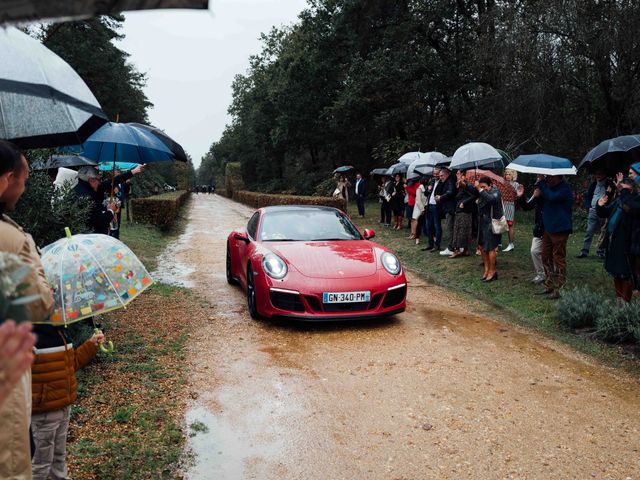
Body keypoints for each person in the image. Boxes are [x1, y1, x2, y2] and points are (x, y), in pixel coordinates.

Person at [0, 140, 55, 480]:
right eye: (24, 179)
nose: (23, 187)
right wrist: (31, 255)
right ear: (6, 180)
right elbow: (39, 303)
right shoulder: (10, 241)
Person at [30, 325, 106, 480]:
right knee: (40, 463)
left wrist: (91, 345)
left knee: (59, 455)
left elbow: (71, 365)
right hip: (43, 412)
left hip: (64, 406)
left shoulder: (61, 334)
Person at [596, 178, 638, 302]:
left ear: (631, 188)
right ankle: (619, 301)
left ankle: (626, 303)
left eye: (623, 186)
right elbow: (605, 212)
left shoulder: (634, 200)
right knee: (615, 272)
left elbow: (630, 209)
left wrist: (622, 191)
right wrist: (600, 205)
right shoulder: (619, 199)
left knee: (625, 273)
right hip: (613, 240)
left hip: (625, 242)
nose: (619, 187)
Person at [73, 164, 145, 234]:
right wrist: (110, 211)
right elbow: (100, 221)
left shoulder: (81, 188)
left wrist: (134, 171)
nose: (99, 183)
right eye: (99, 179)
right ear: (91, 179)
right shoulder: (87, 197)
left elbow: (114, 181)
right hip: (91, 237)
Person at [535, 175, 573, 299]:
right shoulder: (549, 187)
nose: (547, 179)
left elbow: (552, 197)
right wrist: (538, 195)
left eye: (550, 177)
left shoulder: (564, 189)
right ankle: (549, 285)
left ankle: (560, 288)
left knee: (558, 258)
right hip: (548, 227)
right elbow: (544, 202)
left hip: (560, 228)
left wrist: (541, 183)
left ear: (557, 177)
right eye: (546, 177)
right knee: (545, 256)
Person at [517, 176, 546, 283]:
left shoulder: (551, 192)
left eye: (539, 182)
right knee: (534, 251)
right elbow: (527, 206)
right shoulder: (537, 195)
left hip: (551, 228)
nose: (537, 186)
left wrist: (541, 196)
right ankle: (541, 274)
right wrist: (521, 196)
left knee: (550, 254)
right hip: (539, 228)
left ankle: (552, 276)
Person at [577, 170, 611, 258]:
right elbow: (588, 196)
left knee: (603, 231)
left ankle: (601, 250)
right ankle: (584, 251)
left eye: (600, 174)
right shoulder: (593, 185)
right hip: (593, 210)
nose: (598, 175)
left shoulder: (609, 185)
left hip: (603, 211)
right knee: (589, 230)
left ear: (605, 174)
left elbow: (610, 197)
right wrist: (589, 206)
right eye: (597, 174)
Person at [476, 176, 503, 282]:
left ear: (490, 185)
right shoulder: (483, 192)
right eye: (481, 186)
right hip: (482, 222)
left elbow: (491, 199)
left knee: (491, 248)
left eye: (484, 186)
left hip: (492, 223)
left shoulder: (496, 191)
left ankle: (493, 271)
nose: (483, 188)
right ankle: (486, 270)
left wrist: (480, 190)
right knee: (482, 247)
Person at [449, 170, 477, 258]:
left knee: (461, 230)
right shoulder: (460, 185)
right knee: (461, 230)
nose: (457, 175)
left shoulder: (467, 185)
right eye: (457, 173)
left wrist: (464, 202)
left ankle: (458, 250)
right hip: (460, 210)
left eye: (458, 173)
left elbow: (473, 196)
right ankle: (465, 250)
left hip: (464, 211)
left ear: (463, 176)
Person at [436, 167, 457, 256]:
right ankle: (453, 246)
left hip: (450, 208)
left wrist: (441, 197)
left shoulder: (450, 181)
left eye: (442, 175)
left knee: (450, 228)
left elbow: (451, 192)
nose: (440, 177)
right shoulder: (446, 181)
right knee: (451, 228)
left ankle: (451, 247)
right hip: (448, 208)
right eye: (439, 176)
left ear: (447, 174)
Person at [422, 168, 443, 251]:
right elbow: (426, 193)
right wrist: (428, 189)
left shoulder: (442, 183)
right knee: (428, 225)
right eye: (434, 174)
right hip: (429, 205)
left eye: (437, 174)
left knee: (437, 226)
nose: (435, 175)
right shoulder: (432, 181)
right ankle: (430, 244)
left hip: (437, 206)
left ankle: (437, 245)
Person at [502, 169, 520, 252]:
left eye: (509, 174)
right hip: (502, 204)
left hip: (510, 205)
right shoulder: (503, 183)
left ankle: (511, 244)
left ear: (513, 175)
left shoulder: (516, 184)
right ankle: (498, 242)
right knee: (501, 222)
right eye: (506, 174)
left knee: (510, 224)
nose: (507, 176)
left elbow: (517, 196)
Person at [412, 176, 428, 245]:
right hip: (421, 209)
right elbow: (418, 200)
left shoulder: (427, 188)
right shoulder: (419, 189)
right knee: (419, 224)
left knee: (426, 223)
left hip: (426, 207)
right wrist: (422, 209)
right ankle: (417, 238)